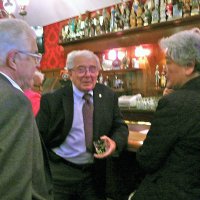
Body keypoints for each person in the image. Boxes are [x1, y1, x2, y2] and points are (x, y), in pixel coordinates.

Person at [36, 50, 129, 200]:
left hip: (94, 174)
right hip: (61, 173)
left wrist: (114, 142)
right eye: (81, 69)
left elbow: (120, 126)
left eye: (93, 69)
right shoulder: (53, 100)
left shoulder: (107, 95)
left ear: (98, 72)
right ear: (70, 73)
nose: (88, 74)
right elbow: (38, 138)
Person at [131, 28, 200, 199]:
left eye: (168, 62)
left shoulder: (175, 104)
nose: (165, 69)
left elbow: (147, 159)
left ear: (189, 66)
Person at [0, 18, 53, 199]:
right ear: (13, 59)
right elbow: (12, 184)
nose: (37, 65)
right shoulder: (14, 101)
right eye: (34, 56)